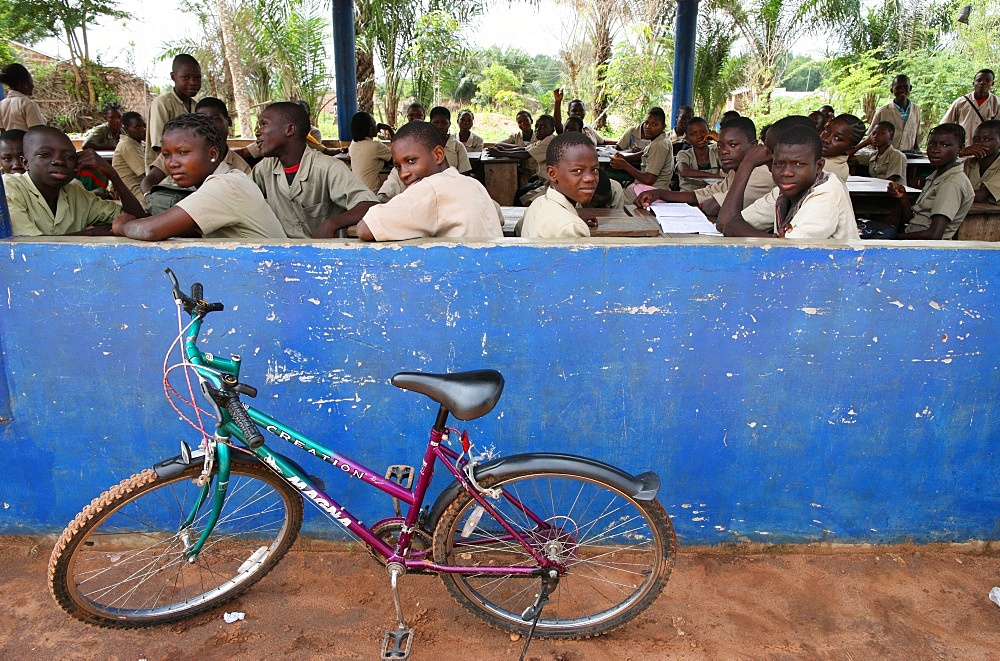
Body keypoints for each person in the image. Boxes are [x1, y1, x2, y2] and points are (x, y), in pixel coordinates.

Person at [113, 113, 285, 240]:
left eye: (183, 152)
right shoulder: (229, 179)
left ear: (213, 153)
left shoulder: (224, 185)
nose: (172, 163)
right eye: (166, 155)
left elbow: (150, 230)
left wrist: (122, 227)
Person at [356, 121, 503, 242]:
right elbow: (498, 215)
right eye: (398, 167)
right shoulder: (473, 184)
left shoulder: (431, 187)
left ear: (438, 155)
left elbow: (365, 228)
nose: (403, 173)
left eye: (411, 160)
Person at [252, 102, 378, 239]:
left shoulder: (327, 168)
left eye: (264, 124)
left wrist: (332, 224)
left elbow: (369, 204)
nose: (258, 132)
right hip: (282, 255)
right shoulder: (265, 168)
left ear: (289, 129)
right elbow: (239, 193)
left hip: (326, 255)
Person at [716, 124, 856, 240]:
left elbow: (787, 250)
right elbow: (728, 224)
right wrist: (746, 164)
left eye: (799, 164)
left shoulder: (826, 194)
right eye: (779, 163)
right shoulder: (783, 190)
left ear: (818, 166)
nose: (786, 172)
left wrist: (775, 241)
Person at [4, 126, 144, 236]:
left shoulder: (75, 192)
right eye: (45, 154)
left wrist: (113, 175)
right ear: (25, 162)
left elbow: (136, 218)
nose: (59, 161)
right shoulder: (9, 188)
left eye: (70, 157)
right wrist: (90, 233)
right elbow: (29, 248)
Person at [636, 117, 772, 216]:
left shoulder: (760, 174)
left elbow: (713, 206)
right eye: (720, 145)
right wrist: (658, 193)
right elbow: (702, 194)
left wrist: (706, 202)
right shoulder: (734, 172)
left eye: (733, 145)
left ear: (754, 145)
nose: (723, 151)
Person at [141, 97, 250, 196]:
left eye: (213, 119)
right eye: (201, 120)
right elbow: (150, 180)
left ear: (229, 121)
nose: (208, 125)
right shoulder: (174, 153)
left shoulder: (240, 168)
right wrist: (150, 198)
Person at [889, 123, 973, 240]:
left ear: (960, 148)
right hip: (913, 236)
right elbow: (916, 221)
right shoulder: (937, 176)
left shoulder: (952, 183)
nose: (935, 150)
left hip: (926, 249)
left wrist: (894, 239)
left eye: (944, 145)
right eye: (932, 144)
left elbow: (934, 235)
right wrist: (904, 199)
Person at [518, 132, 600, 239]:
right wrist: (572, 222)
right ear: (552, 174)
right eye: (578, 170)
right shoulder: (572, 228)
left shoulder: (537, 203)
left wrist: (573, 217)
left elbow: (518, 229)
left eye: (594, 170)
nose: (590, 178)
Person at [146, 54, 202, 169]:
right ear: (173, 77)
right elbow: (159, 148)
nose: (193, 82)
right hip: (165, 174)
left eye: (197, 78)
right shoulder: (162, 104)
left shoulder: (196, 107)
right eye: (186, 77)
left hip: (189, 170)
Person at [609, 107, 673, 203]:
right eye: (646, 123)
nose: (648, 127)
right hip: (652, 188)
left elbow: (648, 179)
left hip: (650, 191)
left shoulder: (659, 145)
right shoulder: (661, 139)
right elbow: (644, 154)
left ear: (663, 126)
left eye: (654, 124)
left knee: (611, 196)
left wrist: (625, 165)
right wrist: (626, 159)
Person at [487, 115, 557, 189]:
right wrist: (504, 150)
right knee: (520, 192)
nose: (538, 129)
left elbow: (525, 154)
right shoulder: (541, 140)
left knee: (522, 197)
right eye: (536, 126)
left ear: (552, 129)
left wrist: (499, 153)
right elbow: (524, 149)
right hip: (541, 179)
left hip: (549, 184)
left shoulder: (549, 140)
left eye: (543, 127)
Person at [941, 69, 1000, 144]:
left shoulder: (997, 104)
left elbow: (997, 129)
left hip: (985, 149)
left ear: (992, 84)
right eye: (979, 80)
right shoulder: (961, 102)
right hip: (964, 147)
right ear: (973, 83)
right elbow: (945, 125)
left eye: (987, 81)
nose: (982, 83)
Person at [868, 75, 922, 151]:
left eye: (905, 87)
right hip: (887, 157)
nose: (902, 90)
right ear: (892, 90)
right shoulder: (883, 111)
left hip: (909, 157)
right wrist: (876, 156)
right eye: (898, 88)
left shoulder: (916, 109)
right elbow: (871, 137)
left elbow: (916, 136)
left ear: (910, 88)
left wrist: (918, 152)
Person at [348, 111, 392, 193]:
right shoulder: (375, 146)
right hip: (372, 193)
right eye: (374, 124)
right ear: (370, 129)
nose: (377, 127)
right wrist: (389, 129)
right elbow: (398, 154)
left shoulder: (353, 144)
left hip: (357, 192)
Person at [675, 117, 722, 191]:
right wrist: (715, 176)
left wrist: (719, 139)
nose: (699, 136)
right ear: (687, 138)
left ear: (709, 132)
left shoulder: (716, 152)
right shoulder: (684, 154)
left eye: (703, 131)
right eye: (693, 134)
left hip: (712, 196)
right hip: (688, 197)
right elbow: (684, 171)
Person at [962, 120, 1000, 205]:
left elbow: (980, 196)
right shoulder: (968, 163)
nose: (979, 143)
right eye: (975, 140)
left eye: (987, 139)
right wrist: (959, 154)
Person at [111, 112, 147, 201]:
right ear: (126, 129)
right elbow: (146, 173)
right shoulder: (128, 145)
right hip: (132, 190)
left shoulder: (137, 143)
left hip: (139, 186)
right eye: (137, 127)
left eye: (144, 126)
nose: (143, 130)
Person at [820, 113, 866, 182]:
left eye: (837, 138)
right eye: (827, 131)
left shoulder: (824, 169)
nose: (826, 140)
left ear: (849, 149)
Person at [0, 63, 45, 131]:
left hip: (8, 141)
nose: (33, 86)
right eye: (31, 81)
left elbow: (4, 133)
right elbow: (38, 132)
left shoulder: (1, 104)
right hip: (27, 141)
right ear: (25, 84)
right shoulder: (28, 104)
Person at [428, 106, 472, 174]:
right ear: (430, 123)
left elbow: (464, 173)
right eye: (436, 123)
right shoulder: (424, 145)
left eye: (444, 123)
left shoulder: (457, 146)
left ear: (449, 124)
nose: (440, 126)